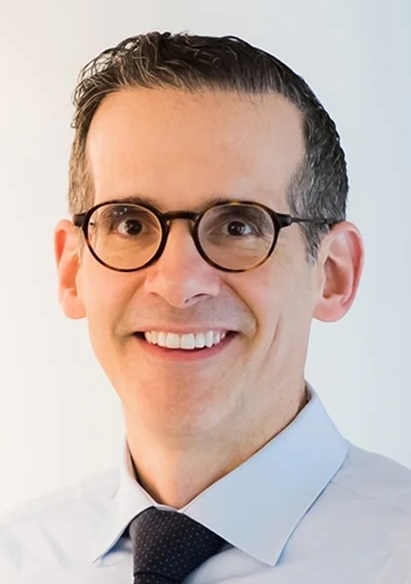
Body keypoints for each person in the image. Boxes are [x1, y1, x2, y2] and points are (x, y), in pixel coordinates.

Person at [1, 31, 410, 584]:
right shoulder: (16, 558)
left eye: (238, 225)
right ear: (73, 270)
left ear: (334, 273)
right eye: (129, 223)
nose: (177, 284)